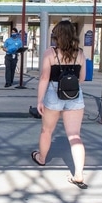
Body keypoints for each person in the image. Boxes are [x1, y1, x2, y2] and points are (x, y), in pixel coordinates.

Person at [31, 20, 87, 189]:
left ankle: (41, 158)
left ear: (57, 36)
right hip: (75, 96)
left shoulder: (51, 53)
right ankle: (78, 174)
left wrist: (40, 100)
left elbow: (44, 78)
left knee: (47, 130)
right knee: (74, 136)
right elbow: (82, 79)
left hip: (54, 94)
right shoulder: (81, 54)